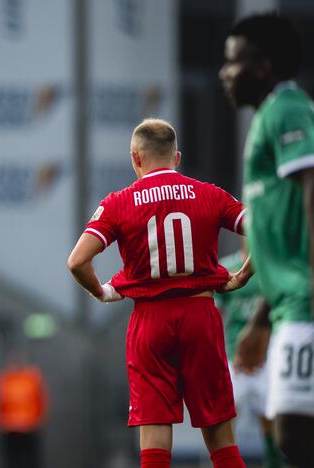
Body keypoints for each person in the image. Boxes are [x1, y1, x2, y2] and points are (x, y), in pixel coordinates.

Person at [67, 118, 252, 468]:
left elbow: (77, 261)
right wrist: (245, 273)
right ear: (176, 157)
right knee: (221, 440)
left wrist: (103, 292)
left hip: (149, 323)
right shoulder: (209, 193)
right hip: (201, 317)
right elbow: (259, 227)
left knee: (154, 441)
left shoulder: (120, 202)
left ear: (136, 158)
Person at [218, 12, 314, 467]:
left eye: (233, 63)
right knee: (289, 436)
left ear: (264, 66)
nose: (225, 74)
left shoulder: (287, 109)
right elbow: (276, 238)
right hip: (285, 304)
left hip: (305, 302)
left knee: (294, 435)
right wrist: (260, 319)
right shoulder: (266, 118)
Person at [216, 251, 284, 468]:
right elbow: (215, 311)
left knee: (270, 413)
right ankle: (224, 459)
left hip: (265, 354)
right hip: (233, 355)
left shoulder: (271, 266)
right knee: (223, 415)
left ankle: (273, 458)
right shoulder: (228, 267)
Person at [0, 349, 47, 468]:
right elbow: (0, 401)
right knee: (13, 459)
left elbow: (41, 399)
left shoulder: (32, 377)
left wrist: (39, 419)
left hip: (29, 425)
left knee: (30, 458)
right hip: (10, 426)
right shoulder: (6, 378)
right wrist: (0, 421)